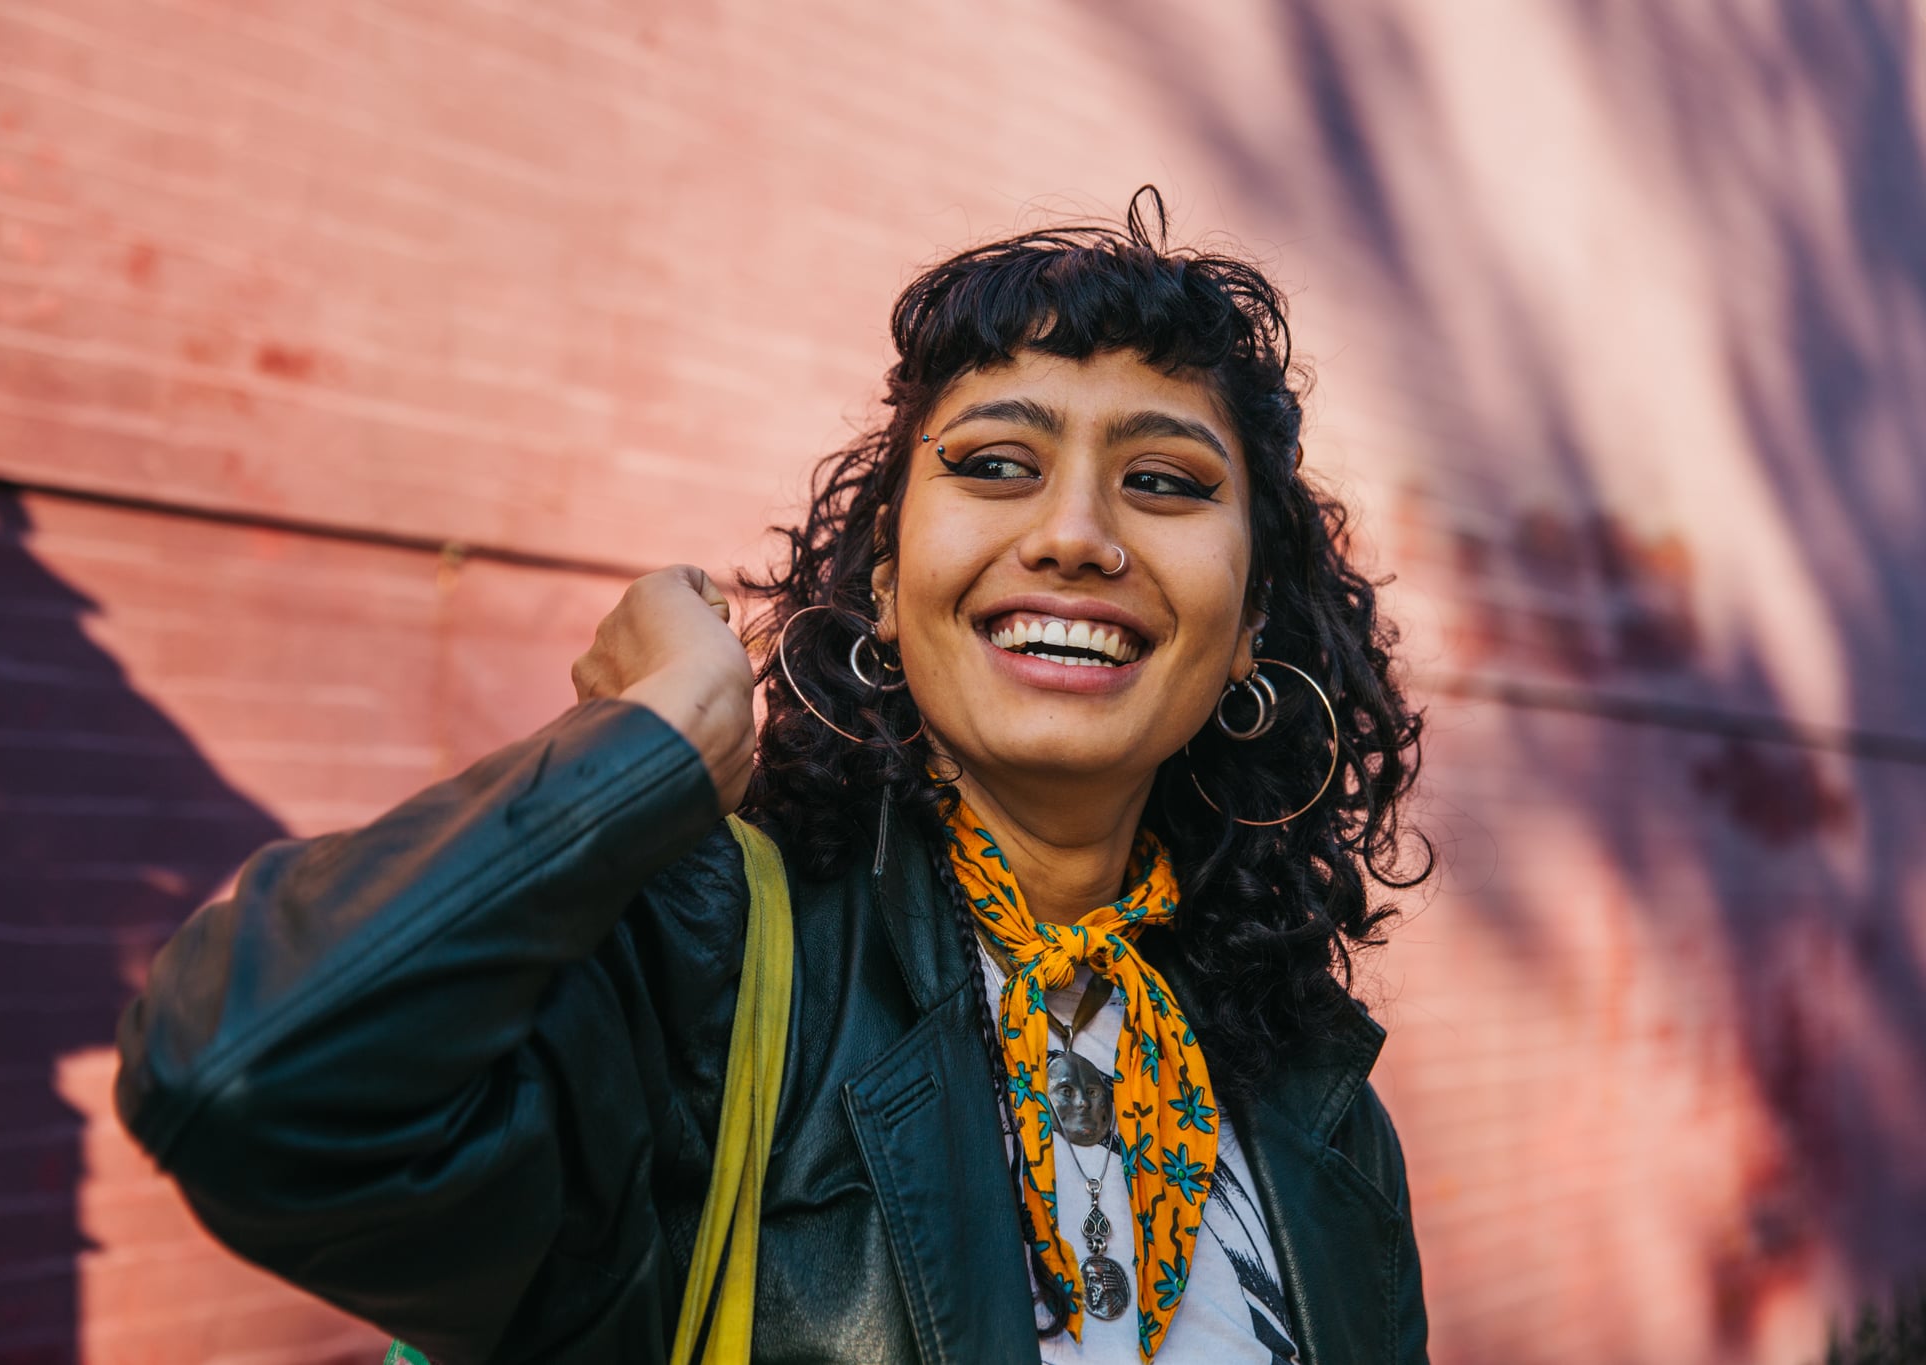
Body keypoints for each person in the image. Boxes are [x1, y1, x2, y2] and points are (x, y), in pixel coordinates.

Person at [115, 189, 1430, 1365]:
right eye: (993, 465)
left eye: (1162, 481)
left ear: (1251, 613)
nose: (1076, 534)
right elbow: (246, 1077)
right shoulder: (704, 966)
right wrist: (651, 747)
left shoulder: (1313, 1095)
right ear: (882, 576)